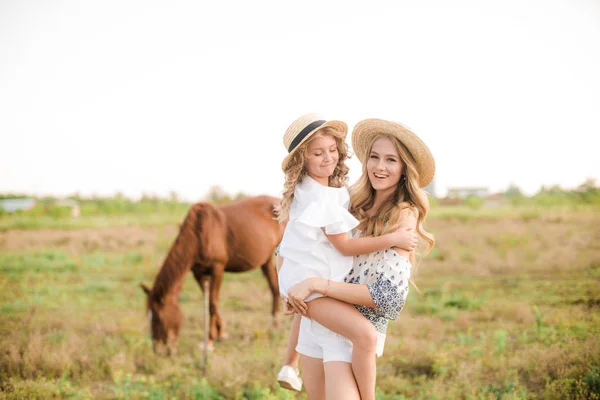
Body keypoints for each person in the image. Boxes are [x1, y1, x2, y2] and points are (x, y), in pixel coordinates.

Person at [279, 118, 436, 399]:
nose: (379, 166)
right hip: (315, 322)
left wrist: (316, 284)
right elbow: (296, 240)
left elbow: (389, 298)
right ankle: (289, 365)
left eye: (391, 160)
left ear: (404, 169)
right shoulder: (350, 201)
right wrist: (290, 283)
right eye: (374, 157)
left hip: (350, 336)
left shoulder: (403, 216)